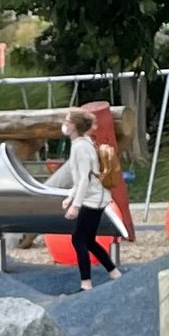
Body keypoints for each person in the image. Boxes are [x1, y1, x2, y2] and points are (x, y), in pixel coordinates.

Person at [51, 108, 117, 285]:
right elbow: (81, 177)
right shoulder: (82, 143)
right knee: (88, 240)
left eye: (67, 121)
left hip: (92, 199)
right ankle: (113, 272)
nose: (64, 124)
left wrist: (76, 205)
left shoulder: (80, 147)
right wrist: (71, 196)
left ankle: (86, 283)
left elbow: (84, 179)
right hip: (96, 196)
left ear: (74, 126)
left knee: (78, 238)